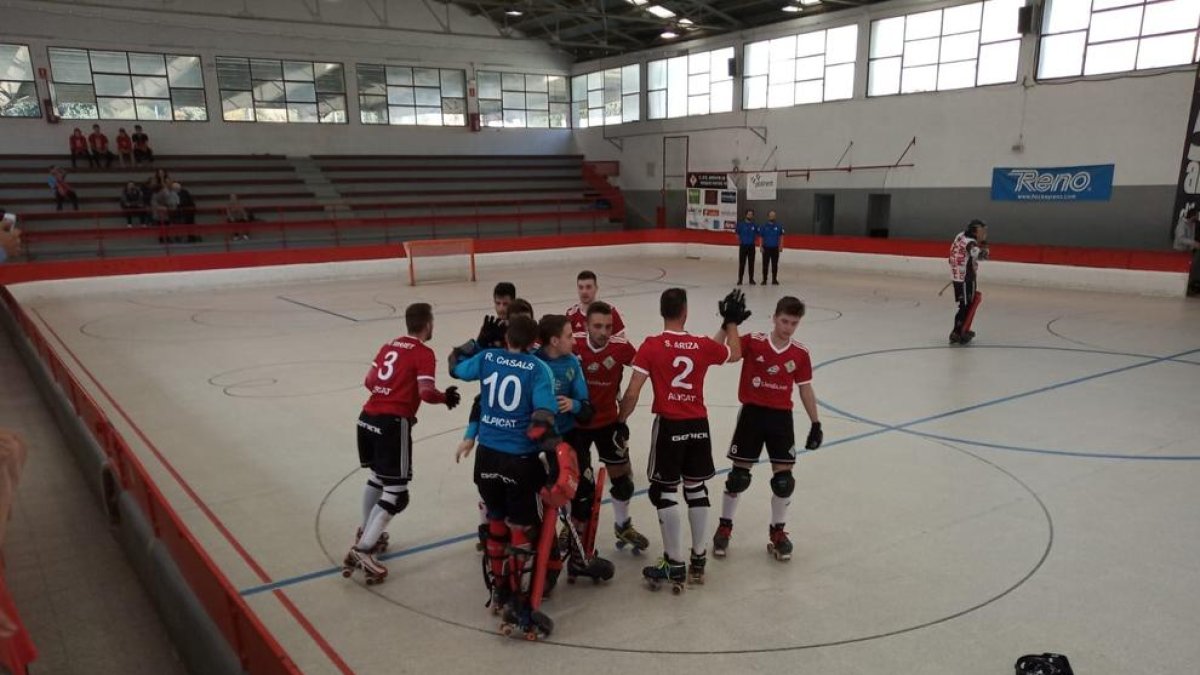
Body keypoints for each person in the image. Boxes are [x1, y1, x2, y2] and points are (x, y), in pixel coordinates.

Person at [616, 287, 748, 591]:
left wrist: (619, 422)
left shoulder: (651, 346)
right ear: (685, 312)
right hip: (698, 426)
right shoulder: (700, 345)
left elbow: (633, 391)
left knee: (665, 493)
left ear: (662, 311)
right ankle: (698, 560)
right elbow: (735, 352)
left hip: (670, 426)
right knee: (696, 488)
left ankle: (674, 564)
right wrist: (730, 323)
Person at [450, 314, 568, 636]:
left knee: (496, 523)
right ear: (533, 343)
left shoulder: (488, 357)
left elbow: (455, 365)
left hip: (486, 458)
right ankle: (519, 602)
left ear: (506, 339)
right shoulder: (538, 368)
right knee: (520, 527)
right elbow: (544, 417)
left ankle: (499, 592)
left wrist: (475, 342)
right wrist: (552, 455)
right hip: (518, 461)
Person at [343, 303, 460, 583]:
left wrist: (389, 392)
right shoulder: (423, 353)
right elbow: (427, 392)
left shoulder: (388, 347)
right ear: (428, 324)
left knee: (377, 478)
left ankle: (366, 530)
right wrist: (446, 398)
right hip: (391, 425)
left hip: (366, 418)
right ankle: (364, 549)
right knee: (397, 492)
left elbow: (369, 381)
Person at [712, 296, 823, 562]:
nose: (788, 328)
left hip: (781, 419)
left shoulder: (800, 353)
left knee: (784, 482)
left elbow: (805, 387)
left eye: (794, 323)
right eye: (784, 321)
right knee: (738, 477)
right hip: (752, 414)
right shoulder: (755, 341)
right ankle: (725, 526)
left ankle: (778, 532)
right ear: (774, 317)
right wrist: (728, 323)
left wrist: (816, 422)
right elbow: (721, 353)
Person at [535, 314, 612, 582]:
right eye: (569, 336)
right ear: (554, 340)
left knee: (584, 492)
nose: (574, 339)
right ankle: (547, 557)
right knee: (539, 500)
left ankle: (579, 556)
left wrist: (574, 405)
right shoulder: (534, 363)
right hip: (538, 443)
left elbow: (586, 406)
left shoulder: (572, 364)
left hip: (568, 439)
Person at [573, 301, 649, 553]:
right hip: (577, 426)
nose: (603, 331)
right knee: (575, 486)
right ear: (586, 326)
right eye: (597, 326)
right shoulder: (572, 344)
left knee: (624, 483)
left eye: (608, 326)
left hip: (608, 423)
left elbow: (646, 366)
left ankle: (622, 525)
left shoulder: (621, 348)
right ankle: (571, 529)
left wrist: (624, 416)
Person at [461, 283, 520, 548]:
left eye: (506, 303)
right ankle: (488, 529)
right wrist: (479, 343)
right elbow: (464, 364)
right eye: (498, 303)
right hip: (491, 407)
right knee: (487, 483)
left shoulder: (524, 333)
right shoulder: (491, 330)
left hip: (516, 417)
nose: (501, 309)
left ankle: (511, 528)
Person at [949, 219, 989, 345]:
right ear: (975, 231)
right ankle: (958, 332)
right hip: (966, 279)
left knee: (964, 305)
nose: (984, 234)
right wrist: (985, 248)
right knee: (966, 306)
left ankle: (961, 330)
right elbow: (981, 255)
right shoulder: (970, 243)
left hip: (957, 276)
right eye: (981, 231)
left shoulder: (960, 236)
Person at [566, 270, 625, 336]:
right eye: (580, 287)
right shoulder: (571, 314)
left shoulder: (610, 312)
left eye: (588, 287)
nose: (584, 291)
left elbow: (621, 340)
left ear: (596, 288)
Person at [759, 210, 784, 285]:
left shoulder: (779, 226)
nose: (772, 217)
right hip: (766, 248)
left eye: (773, 215)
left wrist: (781, 246)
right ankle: (764, 280)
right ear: (768, 216)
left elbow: (781, 237)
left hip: (775, 248)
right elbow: (761, 237)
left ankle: (774, 279)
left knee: (775, 265)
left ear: (775, 217)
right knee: (765, 265)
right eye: (771, 215)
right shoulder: (763, 226)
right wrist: (760, 246)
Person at [736, 209, 759, 286]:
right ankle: (740, 280)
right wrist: (741, 241)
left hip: (751, 246)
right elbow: (737, 234)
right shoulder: (740, 224)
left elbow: (757, 235)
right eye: (748, 214)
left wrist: (753, 240)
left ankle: (751, 279)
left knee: (751, 264)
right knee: (742, 264)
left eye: (751, 214)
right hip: (743, 246)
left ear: (753, 216)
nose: (750, 215)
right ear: (746, 215)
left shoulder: (754, 225)